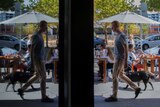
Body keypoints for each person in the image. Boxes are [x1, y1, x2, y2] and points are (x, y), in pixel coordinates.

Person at [17, 20, 54, 102]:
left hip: (41, 59)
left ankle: (22, 89)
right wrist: (33, 63)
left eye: (46, 26)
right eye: (45, 26)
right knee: (43, 77)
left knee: (37, 75)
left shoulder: (40, 35)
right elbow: (32, 50)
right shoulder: (36, 36)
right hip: (38, 59)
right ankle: (43, 97)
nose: (46, 28)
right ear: (41, 26)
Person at [105, 21, 141, 102]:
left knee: (114, 76)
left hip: (120, 59)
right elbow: (113, 46)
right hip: (117, 58)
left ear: (117, 26)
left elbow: (126, 48)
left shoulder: (122, 35)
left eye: (113, 26)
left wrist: (125, 61)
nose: (112, 28)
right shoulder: (117, 35)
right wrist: (106, 35)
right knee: (121, 75)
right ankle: (136, 88)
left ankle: (114, 96)